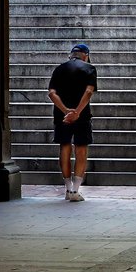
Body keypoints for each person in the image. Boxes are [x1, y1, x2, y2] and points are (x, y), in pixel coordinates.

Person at [47, 43, 97, 202]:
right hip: (82, 115)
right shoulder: (89, 68)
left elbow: (51, 94)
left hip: (62, 116)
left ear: (71, 55)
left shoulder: (59, 69)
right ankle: (76, 190)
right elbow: (89, 91)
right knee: (81, 149)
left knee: (65, 147)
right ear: (86, 55)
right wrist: (77, 112)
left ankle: (68, 188)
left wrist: (66, 111)